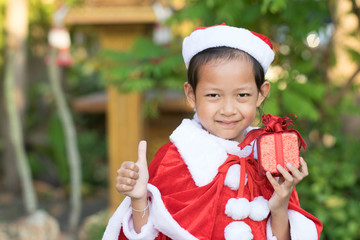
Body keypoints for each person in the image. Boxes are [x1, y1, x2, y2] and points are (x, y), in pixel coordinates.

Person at [102, 24, 323, 240]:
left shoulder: (268, 159)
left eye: (242, 95)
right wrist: (139, 199)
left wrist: (280, 206)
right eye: (213, 95)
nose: (228, 110)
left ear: (261, 93)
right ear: (190, 94)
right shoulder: (174, 159)